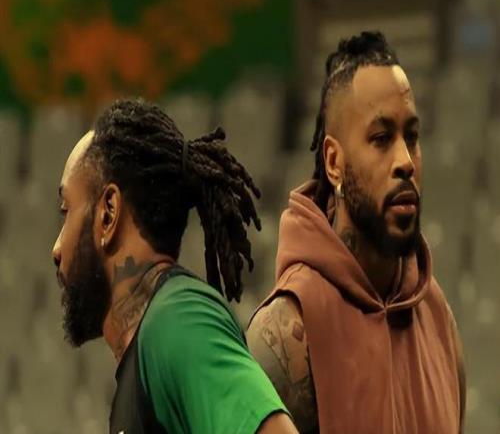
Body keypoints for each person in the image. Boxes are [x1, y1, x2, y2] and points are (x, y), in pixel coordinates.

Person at [247, 31, 466, 434]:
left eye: (412, 137)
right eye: (381, 138)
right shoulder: (285, 336)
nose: (406, 161)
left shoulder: (439, 319)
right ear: (334, 162)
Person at [52, 99, 298, 434]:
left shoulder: (178, 319)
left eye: (66, 210)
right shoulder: (149, 342)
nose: (56, 249)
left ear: (108, 213)